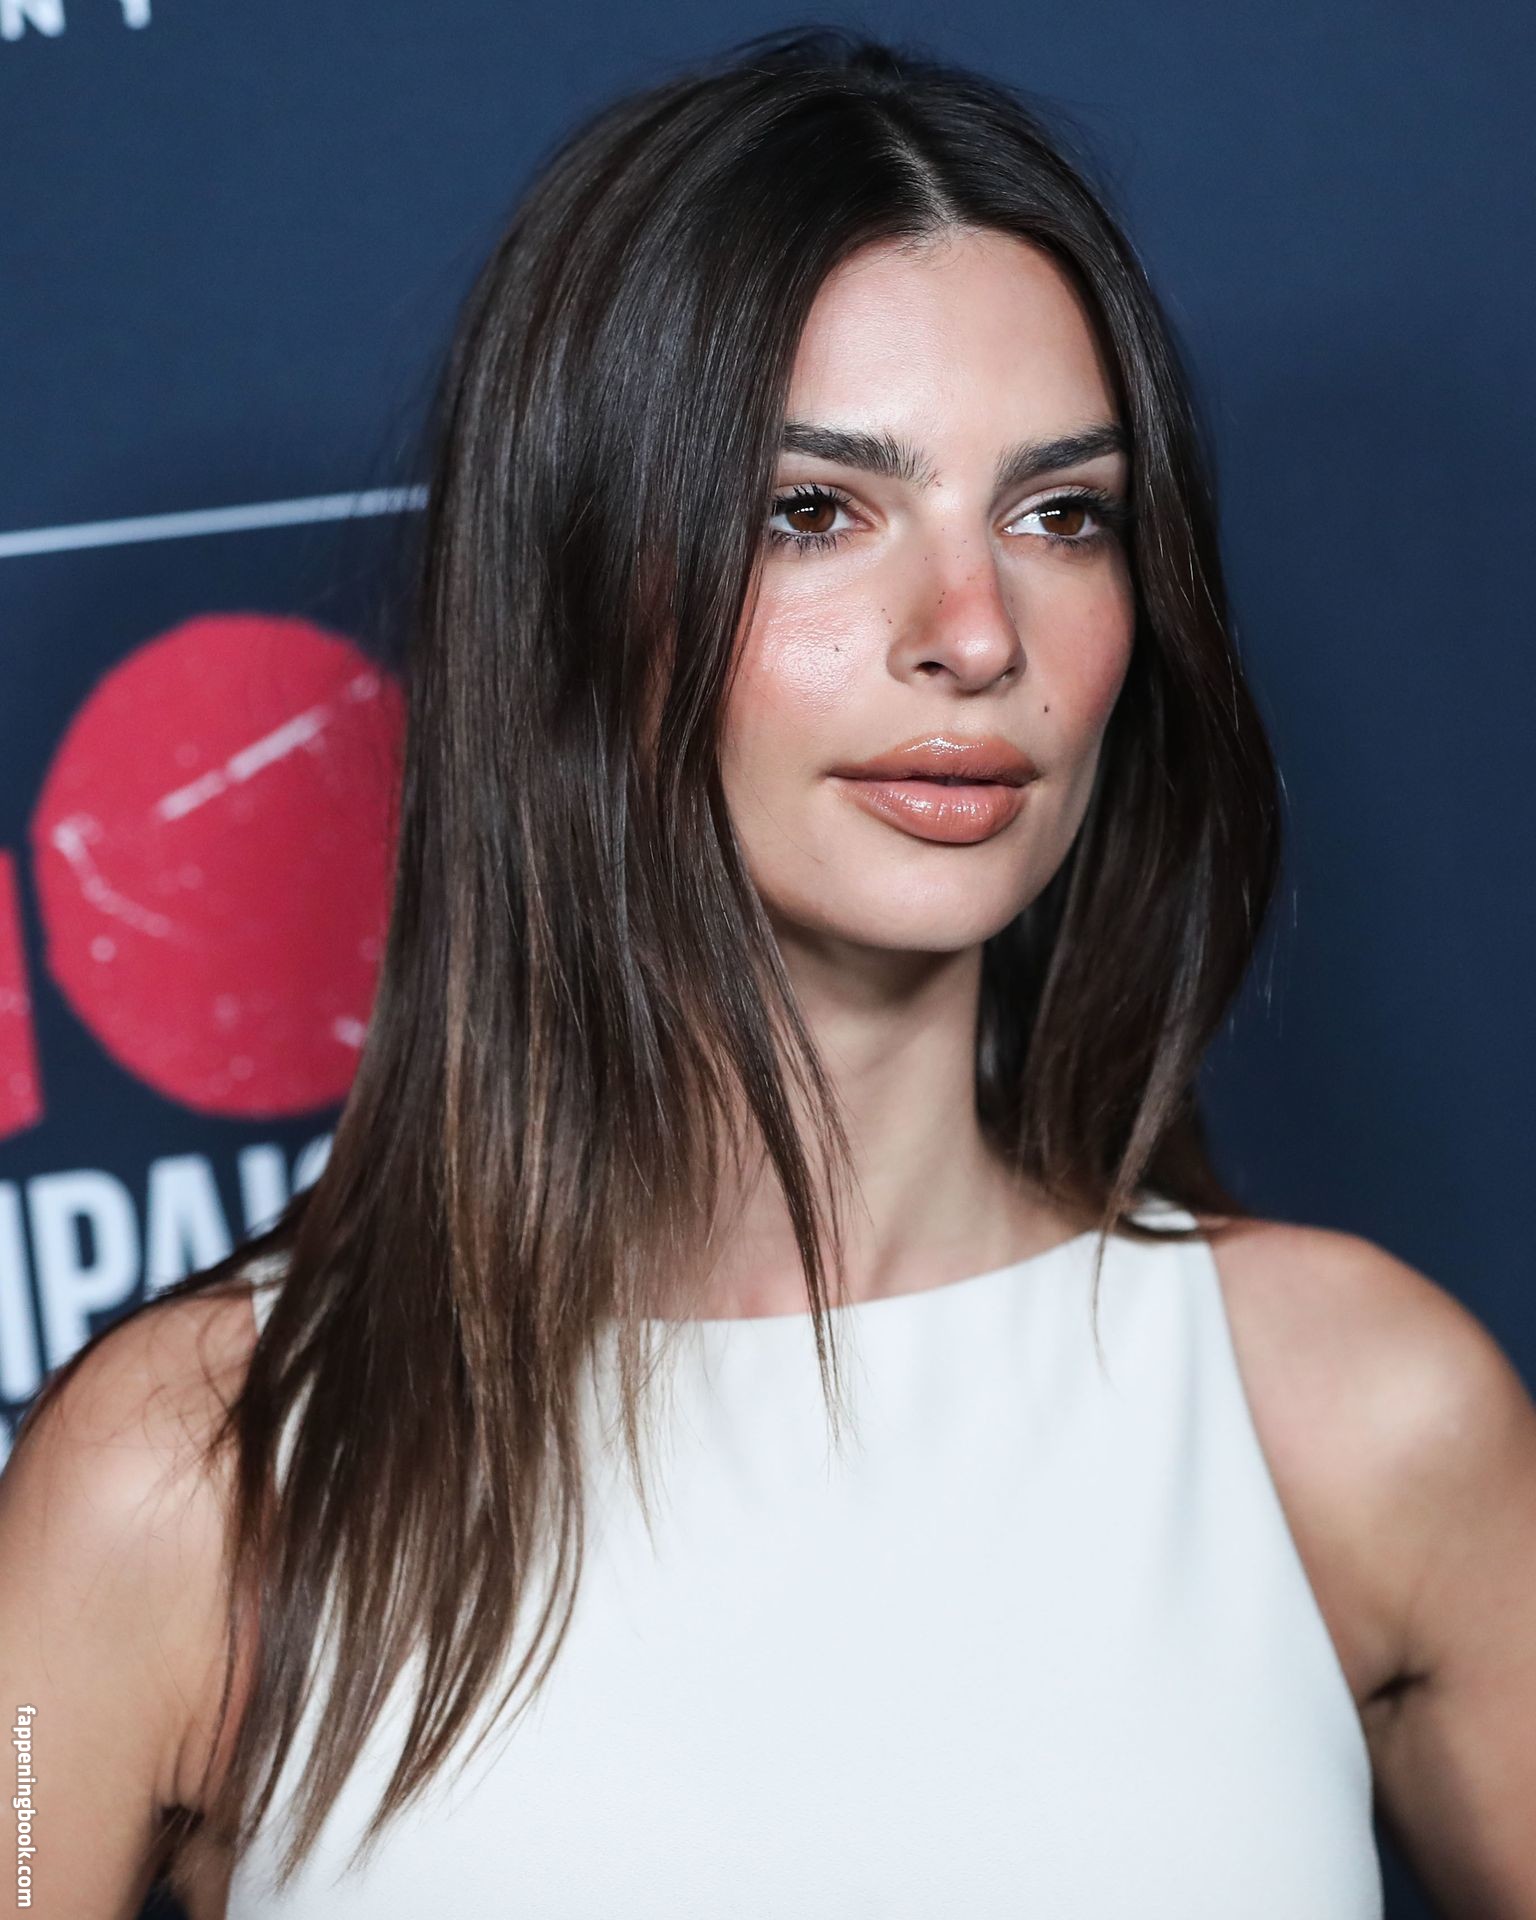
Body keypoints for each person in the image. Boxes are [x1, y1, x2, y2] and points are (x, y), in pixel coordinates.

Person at [3, 25, 1533, 1920]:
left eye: (1062, 513)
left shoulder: (1360, 1418)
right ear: (577, 589)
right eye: (815, 510)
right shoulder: (188, 1483)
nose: (975, 633)